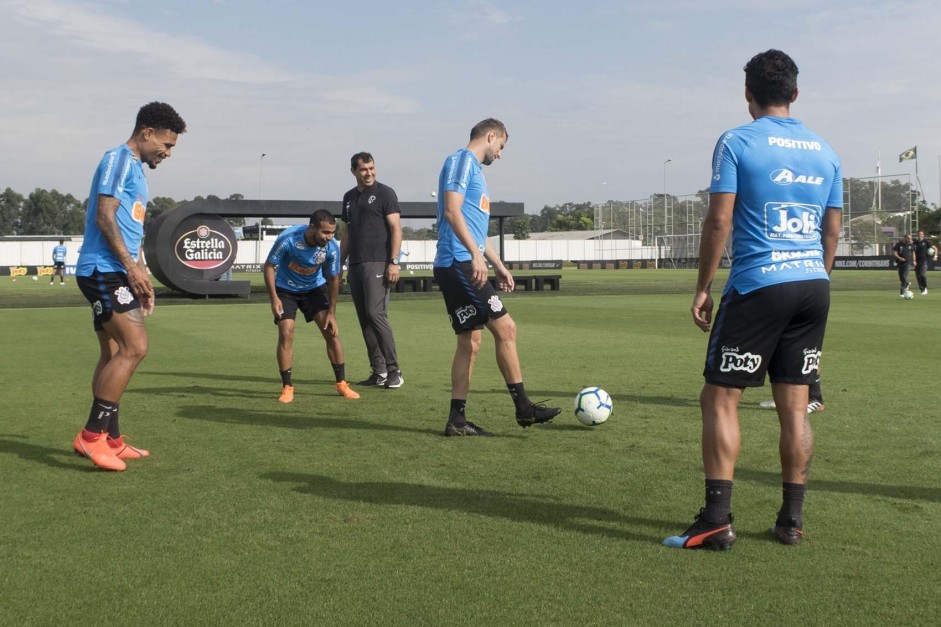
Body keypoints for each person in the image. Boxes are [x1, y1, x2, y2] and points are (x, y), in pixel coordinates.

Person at [664, 50, 842, 549]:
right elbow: (832, 231)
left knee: (720, 397)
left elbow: (719, 220)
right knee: (796, 405)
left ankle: (717, 519)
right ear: (795, 93)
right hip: (813, 286)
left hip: (759, 284)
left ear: (748, 95)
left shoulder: (736, 141)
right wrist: (812, 276)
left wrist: (702, 287)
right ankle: (791, 520)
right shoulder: (826, 150)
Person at [73, 102, 186, 471]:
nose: (167, 154)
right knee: (135, 347)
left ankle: (113, 440)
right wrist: (128, 268)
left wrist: (140, 271)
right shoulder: (119, 158)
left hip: (116, 270)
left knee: (112, 353)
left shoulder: (136, 168)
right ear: (147, 133)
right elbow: (104, 216)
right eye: (166, 145)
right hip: (102, 269)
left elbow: (128, 225)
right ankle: (91, 437)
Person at [433, 118, 561, 436]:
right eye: (501, 146)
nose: (499, 154)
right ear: (491, 136)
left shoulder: (476, 172)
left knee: (470, 342)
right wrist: (475, 256)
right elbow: (451, 210)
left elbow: (476, 230)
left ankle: (457, 420)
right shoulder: (462, 161)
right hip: (458, 261)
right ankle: (524, 408)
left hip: (461, 260)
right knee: (506, 328)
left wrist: (498, 265)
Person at [264, 209, 360, 403]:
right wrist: (274, 298)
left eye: (333, 232)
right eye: (325, 232)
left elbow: (333, 279)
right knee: (286, 332)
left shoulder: (331, 248)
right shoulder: (288, 239)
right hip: (285, 290)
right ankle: (287, 387)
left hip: (314, 289)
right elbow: (268, 266)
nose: (329, 237)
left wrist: (332, 313)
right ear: (312, 227)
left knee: (331, 332)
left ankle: (342, 383)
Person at [340, 153, 404, 389]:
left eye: (372, 168)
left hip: (378, 262)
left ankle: (394, 370)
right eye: (364, 169)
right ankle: (378, 372)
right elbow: (346, 233)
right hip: (355, 264)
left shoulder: (386, 193)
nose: (369, 173)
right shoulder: (348, 198)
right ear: (354, 172)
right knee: (365, 319)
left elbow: (396, 228)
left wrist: (394, 261)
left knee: (375, 313)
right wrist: (339, 263)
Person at [913, 230, 937, 295]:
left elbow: (935, 248)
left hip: (924, 261)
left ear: (923, 235)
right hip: (917, 262)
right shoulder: (915, 242)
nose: (919, 235)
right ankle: (922, 289)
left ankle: (925, 288)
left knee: (922, 275)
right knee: (918, 276)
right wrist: (914, 260)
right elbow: (913, 252)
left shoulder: (926, 242)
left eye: (921, 234)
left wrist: (935, 255)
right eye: (918, 234)